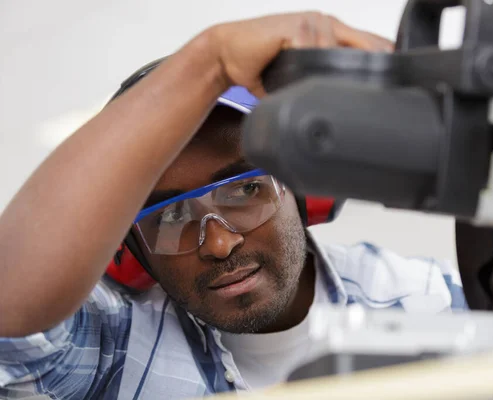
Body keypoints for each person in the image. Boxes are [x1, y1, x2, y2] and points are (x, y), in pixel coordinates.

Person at [0, 11, 466, 399]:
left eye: (244, 190)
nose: (220, 243)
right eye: (170, 216)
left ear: (301, 190)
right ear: (133, 252)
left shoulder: (433, 301)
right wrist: (211, 58)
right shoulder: (114, 349)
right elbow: (10, 316)